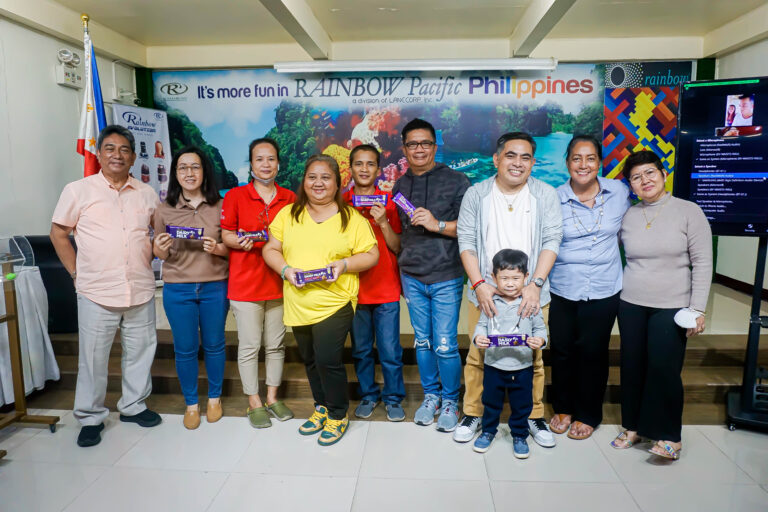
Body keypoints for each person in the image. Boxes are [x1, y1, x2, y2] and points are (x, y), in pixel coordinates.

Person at [50, 125, 161, 447]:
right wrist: (75, 273)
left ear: (133, 157)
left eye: (124, 149)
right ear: (98, 154)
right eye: (110, 148)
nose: (117, 154)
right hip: (96, 292)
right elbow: (59, 233)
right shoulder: (78, 190)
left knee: (140, 352)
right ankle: (90, 416)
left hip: (139, 288)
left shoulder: (146, 193)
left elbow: (154, 237)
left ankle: (133, 406)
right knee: (93, 358)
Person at [455, 131, 561, 448]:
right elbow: (466, 243)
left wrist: (536, 285)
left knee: (535, 356)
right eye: (511, 155)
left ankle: (533, 416)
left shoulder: (545, 195)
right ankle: (473, 413)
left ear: (533, 162)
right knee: (478, 353)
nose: (518, 163)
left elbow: (552, 241)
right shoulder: (477, 194)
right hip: (485, 292)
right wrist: (479, 285)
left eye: (525, 157)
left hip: (532, 292)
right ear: (497, 158)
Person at [263, 155, 378, 446]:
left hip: (336, 300)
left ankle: (339, 414)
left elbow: (371, 254)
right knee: (311, 360)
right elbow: (271, 249)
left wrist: (344, 265)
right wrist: (286, 270)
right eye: (312, 176)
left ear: (338, 183)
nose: (318, 183)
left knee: (328, 359)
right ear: (304, 181)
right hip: (298, 300)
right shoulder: (288, 214)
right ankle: (321, 408)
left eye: (325, 177)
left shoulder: (351, 218)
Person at [612, 150, 712, 460]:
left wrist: (697, 308)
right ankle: (632, 426)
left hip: (672, 306)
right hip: (630, 303)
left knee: (664, 369)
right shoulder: (628, 215)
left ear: (663, 174)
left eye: (649, 173)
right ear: (631, 185)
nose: (644, 181)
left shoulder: (688, 211)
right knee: (632, 366)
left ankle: (670, 435)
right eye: (636, 177)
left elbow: (703, 261)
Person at [547, 135, 630, 440]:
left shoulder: (619, 192)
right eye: (577, 158)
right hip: (563, 287)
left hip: (605, 288)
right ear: (567, 162)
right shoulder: (553, 198)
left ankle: (588, 413)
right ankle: (564, 407)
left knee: (593, 352)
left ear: (599, 162)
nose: (583, 165)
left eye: (590, 158)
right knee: (563, 350)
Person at [392, 118, 470, 432]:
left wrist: (437, 223)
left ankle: (451, 401)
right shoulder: (399, 186)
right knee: (421, 343)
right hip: (412, 275)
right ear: (405, 148)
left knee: (445, 344)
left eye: (425, 143)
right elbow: (402, 238)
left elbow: (470, 230)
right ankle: (431, 397)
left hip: (446, 275)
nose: (419, 149)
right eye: (413, 144)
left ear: (435, 147)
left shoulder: (457, 181)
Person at [220, 138, 296, 428]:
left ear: (279, 163)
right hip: (245, 285)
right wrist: (239, 241)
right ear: (250, 164)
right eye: (259, 159)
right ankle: (254, 401)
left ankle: (273, 397)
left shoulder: (289, 198)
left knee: (276, 345)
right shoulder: (236, 196)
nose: (266, 165)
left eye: (271, 159)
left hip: (279, 283)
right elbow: (226, 235)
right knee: (250, 346)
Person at [153, 146, 229, 430]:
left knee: (214, 344)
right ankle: (191, 404)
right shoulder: (164, 210)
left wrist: (219, 248)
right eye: (183, 168)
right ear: (175, 173)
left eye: (195, 167)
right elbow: (159, 253)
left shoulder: (221, 207)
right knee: (185, 348)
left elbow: (231, 250)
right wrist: (159, 250)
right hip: (178, 288)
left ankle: (214, 399)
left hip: (214, 285)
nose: (189, 173)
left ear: (204, 171)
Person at [343, 144, 406, 421]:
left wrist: (383, 222)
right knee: (361, 349)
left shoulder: (391, 201)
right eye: (359, 164)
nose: (364, 169)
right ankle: (369, 395)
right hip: (354, 289)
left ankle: (393, 398)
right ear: (351, 168)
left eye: (370, 164)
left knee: (391, 350)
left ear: (378, 170)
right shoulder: (340, 202)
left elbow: (397, 247)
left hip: (386, 288)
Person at [471, 250, 547, 459]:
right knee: (490, 402)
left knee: (522, 405)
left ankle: (520, 435)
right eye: (504, 278)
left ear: (526, 277)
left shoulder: (531, 304)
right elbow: (481, 326)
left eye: (516, 278)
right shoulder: (490, 302)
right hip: (494, 365)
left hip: (522, 366)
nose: (510, 283)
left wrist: (539, 340)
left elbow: (540, 330)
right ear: (493, 278)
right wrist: (478, 338)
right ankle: (488, 431)